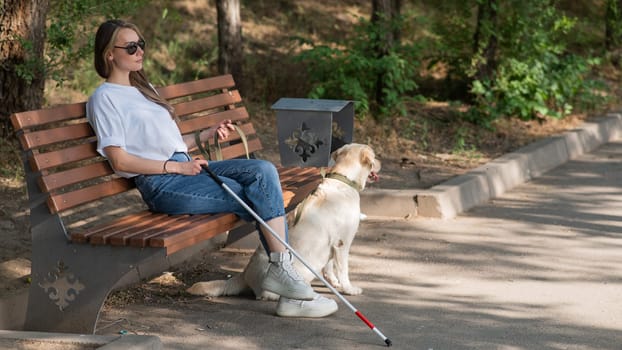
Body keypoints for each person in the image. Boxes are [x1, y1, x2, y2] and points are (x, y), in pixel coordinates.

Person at [86, 19, 337, 318]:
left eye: (141, 44)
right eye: (130, 46)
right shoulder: (104, 99)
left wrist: (205, 136)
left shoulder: (145, 89)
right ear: (109, 54)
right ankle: (287, 282)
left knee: (262, 171)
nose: (139, 51)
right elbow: (120, 161)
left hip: (184, 169)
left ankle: (281, 272)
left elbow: (171, 144)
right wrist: (175, 169)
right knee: (247, 192)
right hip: (162, 183)